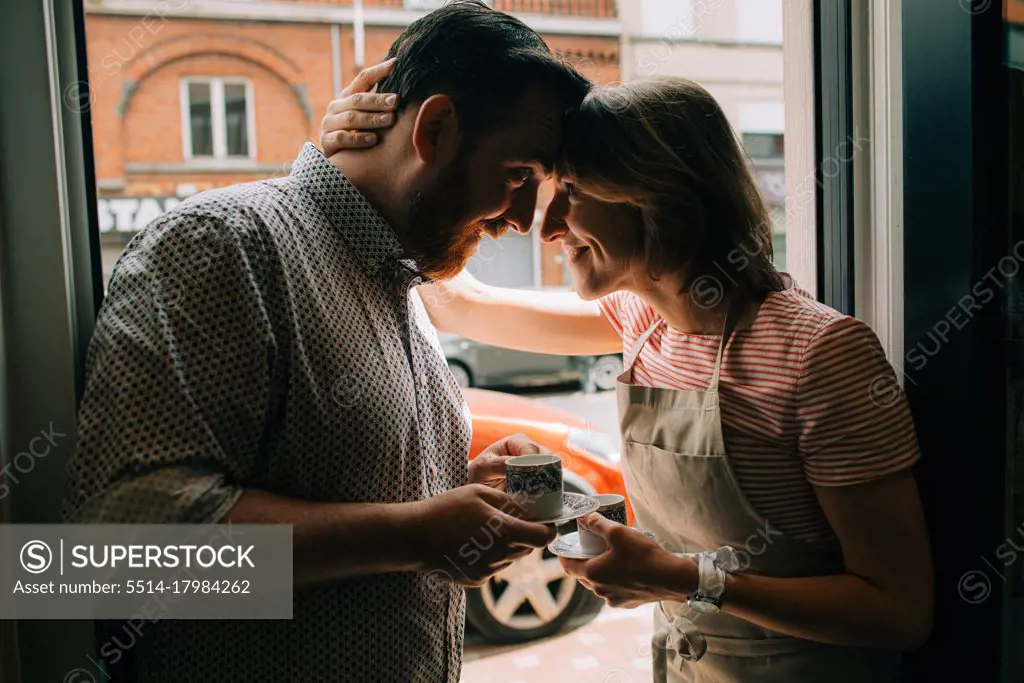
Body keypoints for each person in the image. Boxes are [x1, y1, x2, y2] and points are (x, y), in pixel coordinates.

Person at [320, 70, 934, 681]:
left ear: (658, 195)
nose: (550, 225)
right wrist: (359, 156)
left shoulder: (822, 356)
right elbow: (459, 302)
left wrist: (687, 580)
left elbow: (899, 612)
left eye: (573, 190)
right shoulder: (641, 319)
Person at [61, 3, 591, 682]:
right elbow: (111, 556)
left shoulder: (404, 280)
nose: (521, 220)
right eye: (519, 175)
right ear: (434, 128)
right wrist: (412, 536)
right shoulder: (223, 247)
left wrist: (457, 494)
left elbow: (332, 486)